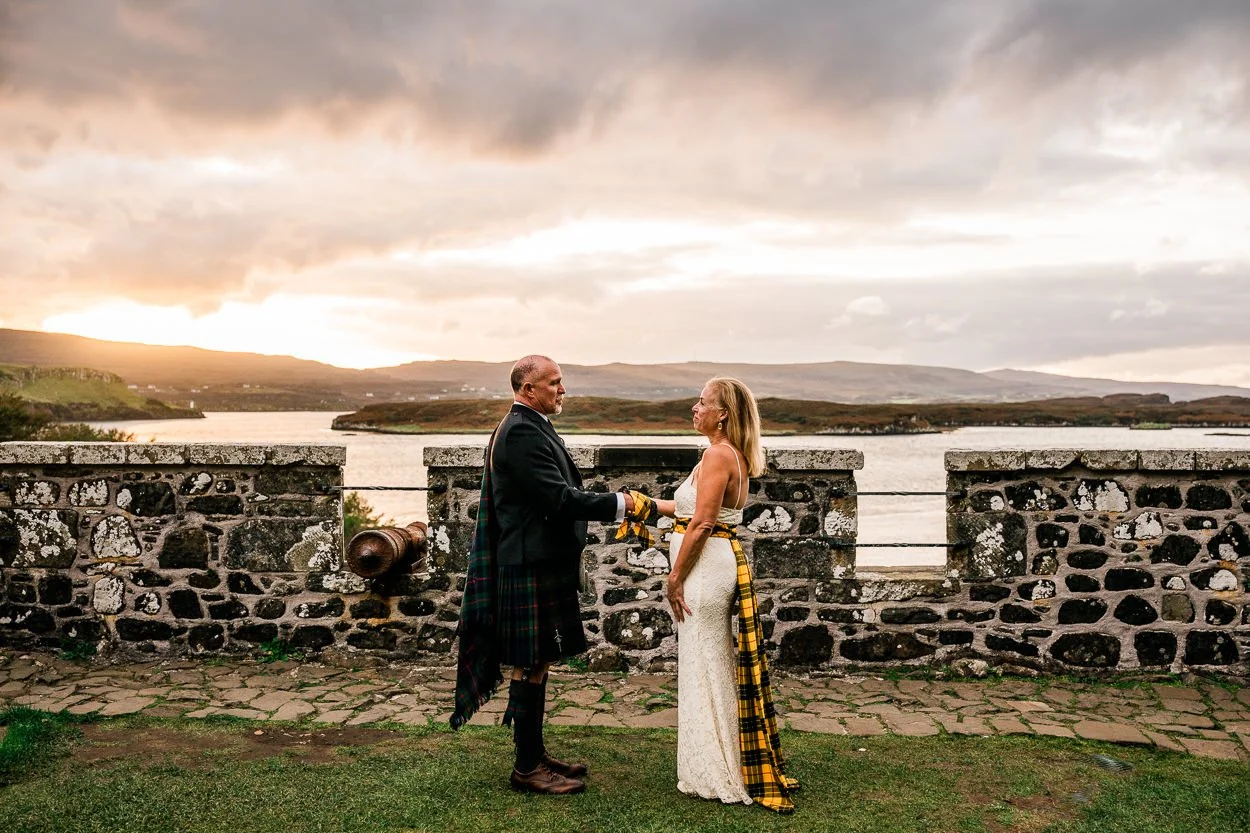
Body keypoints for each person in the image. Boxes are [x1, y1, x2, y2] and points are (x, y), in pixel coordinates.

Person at [452, 355, 634, 795]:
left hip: (539, 559)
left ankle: (534, 754)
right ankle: (526, 767)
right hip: (529, 562)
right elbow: (560, 498)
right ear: (528, 388)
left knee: (540, 662)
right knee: (530, 663)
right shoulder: (519, 431)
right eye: (554, 383)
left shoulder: (529, 425)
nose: (562, 389)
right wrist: (627, 504)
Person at [619, 377, 798, 813]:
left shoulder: (718, 454)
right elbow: (686, 511)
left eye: (703, 403)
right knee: (706, 658)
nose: (694, 408)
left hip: (704, 570)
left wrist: (675, 577)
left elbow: (701, 524)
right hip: (710, 563)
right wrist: (637, 503)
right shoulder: (720, 455)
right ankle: (717, 760)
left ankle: (718, 770)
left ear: (724, 414)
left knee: (704, 660)